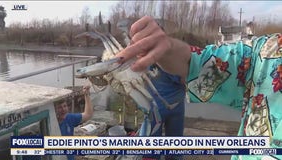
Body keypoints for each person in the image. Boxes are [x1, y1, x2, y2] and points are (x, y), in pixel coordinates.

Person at [116, 16, 282, 160]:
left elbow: (183, 79)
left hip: (168, 107)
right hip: (160, 107)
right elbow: (197, 63)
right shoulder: (268, 53)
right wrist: (166, 48)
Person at [54, 85, 93, 160]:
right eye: (59, 107)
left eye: (65, 106)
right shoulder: (49, 124)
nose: (63, 109)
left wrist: (86, 95)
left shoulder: (69, 118)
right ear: (54, 110)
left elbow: (88, 114)